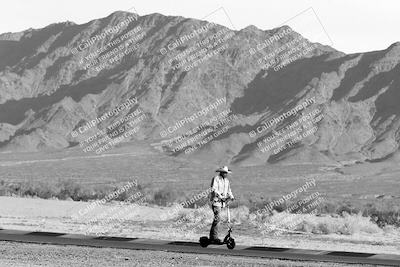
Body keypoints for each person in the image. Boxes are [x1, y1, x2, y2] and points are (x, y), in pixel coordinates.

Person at [209, 166, 234, 244]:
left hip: (223, 203)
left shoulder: (227, 181)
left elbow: (229, 190)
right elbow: (214, 189)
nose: (226, 174)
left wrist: (231, 197)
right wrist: (220, 196)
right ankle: (214, 237)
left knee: (218, 219)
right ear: (221, 172)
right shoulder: (216, 179)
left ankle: (213, 236)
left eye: (226, 173)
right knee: (217, 218)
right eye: (224, 172)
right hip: (216, 201)